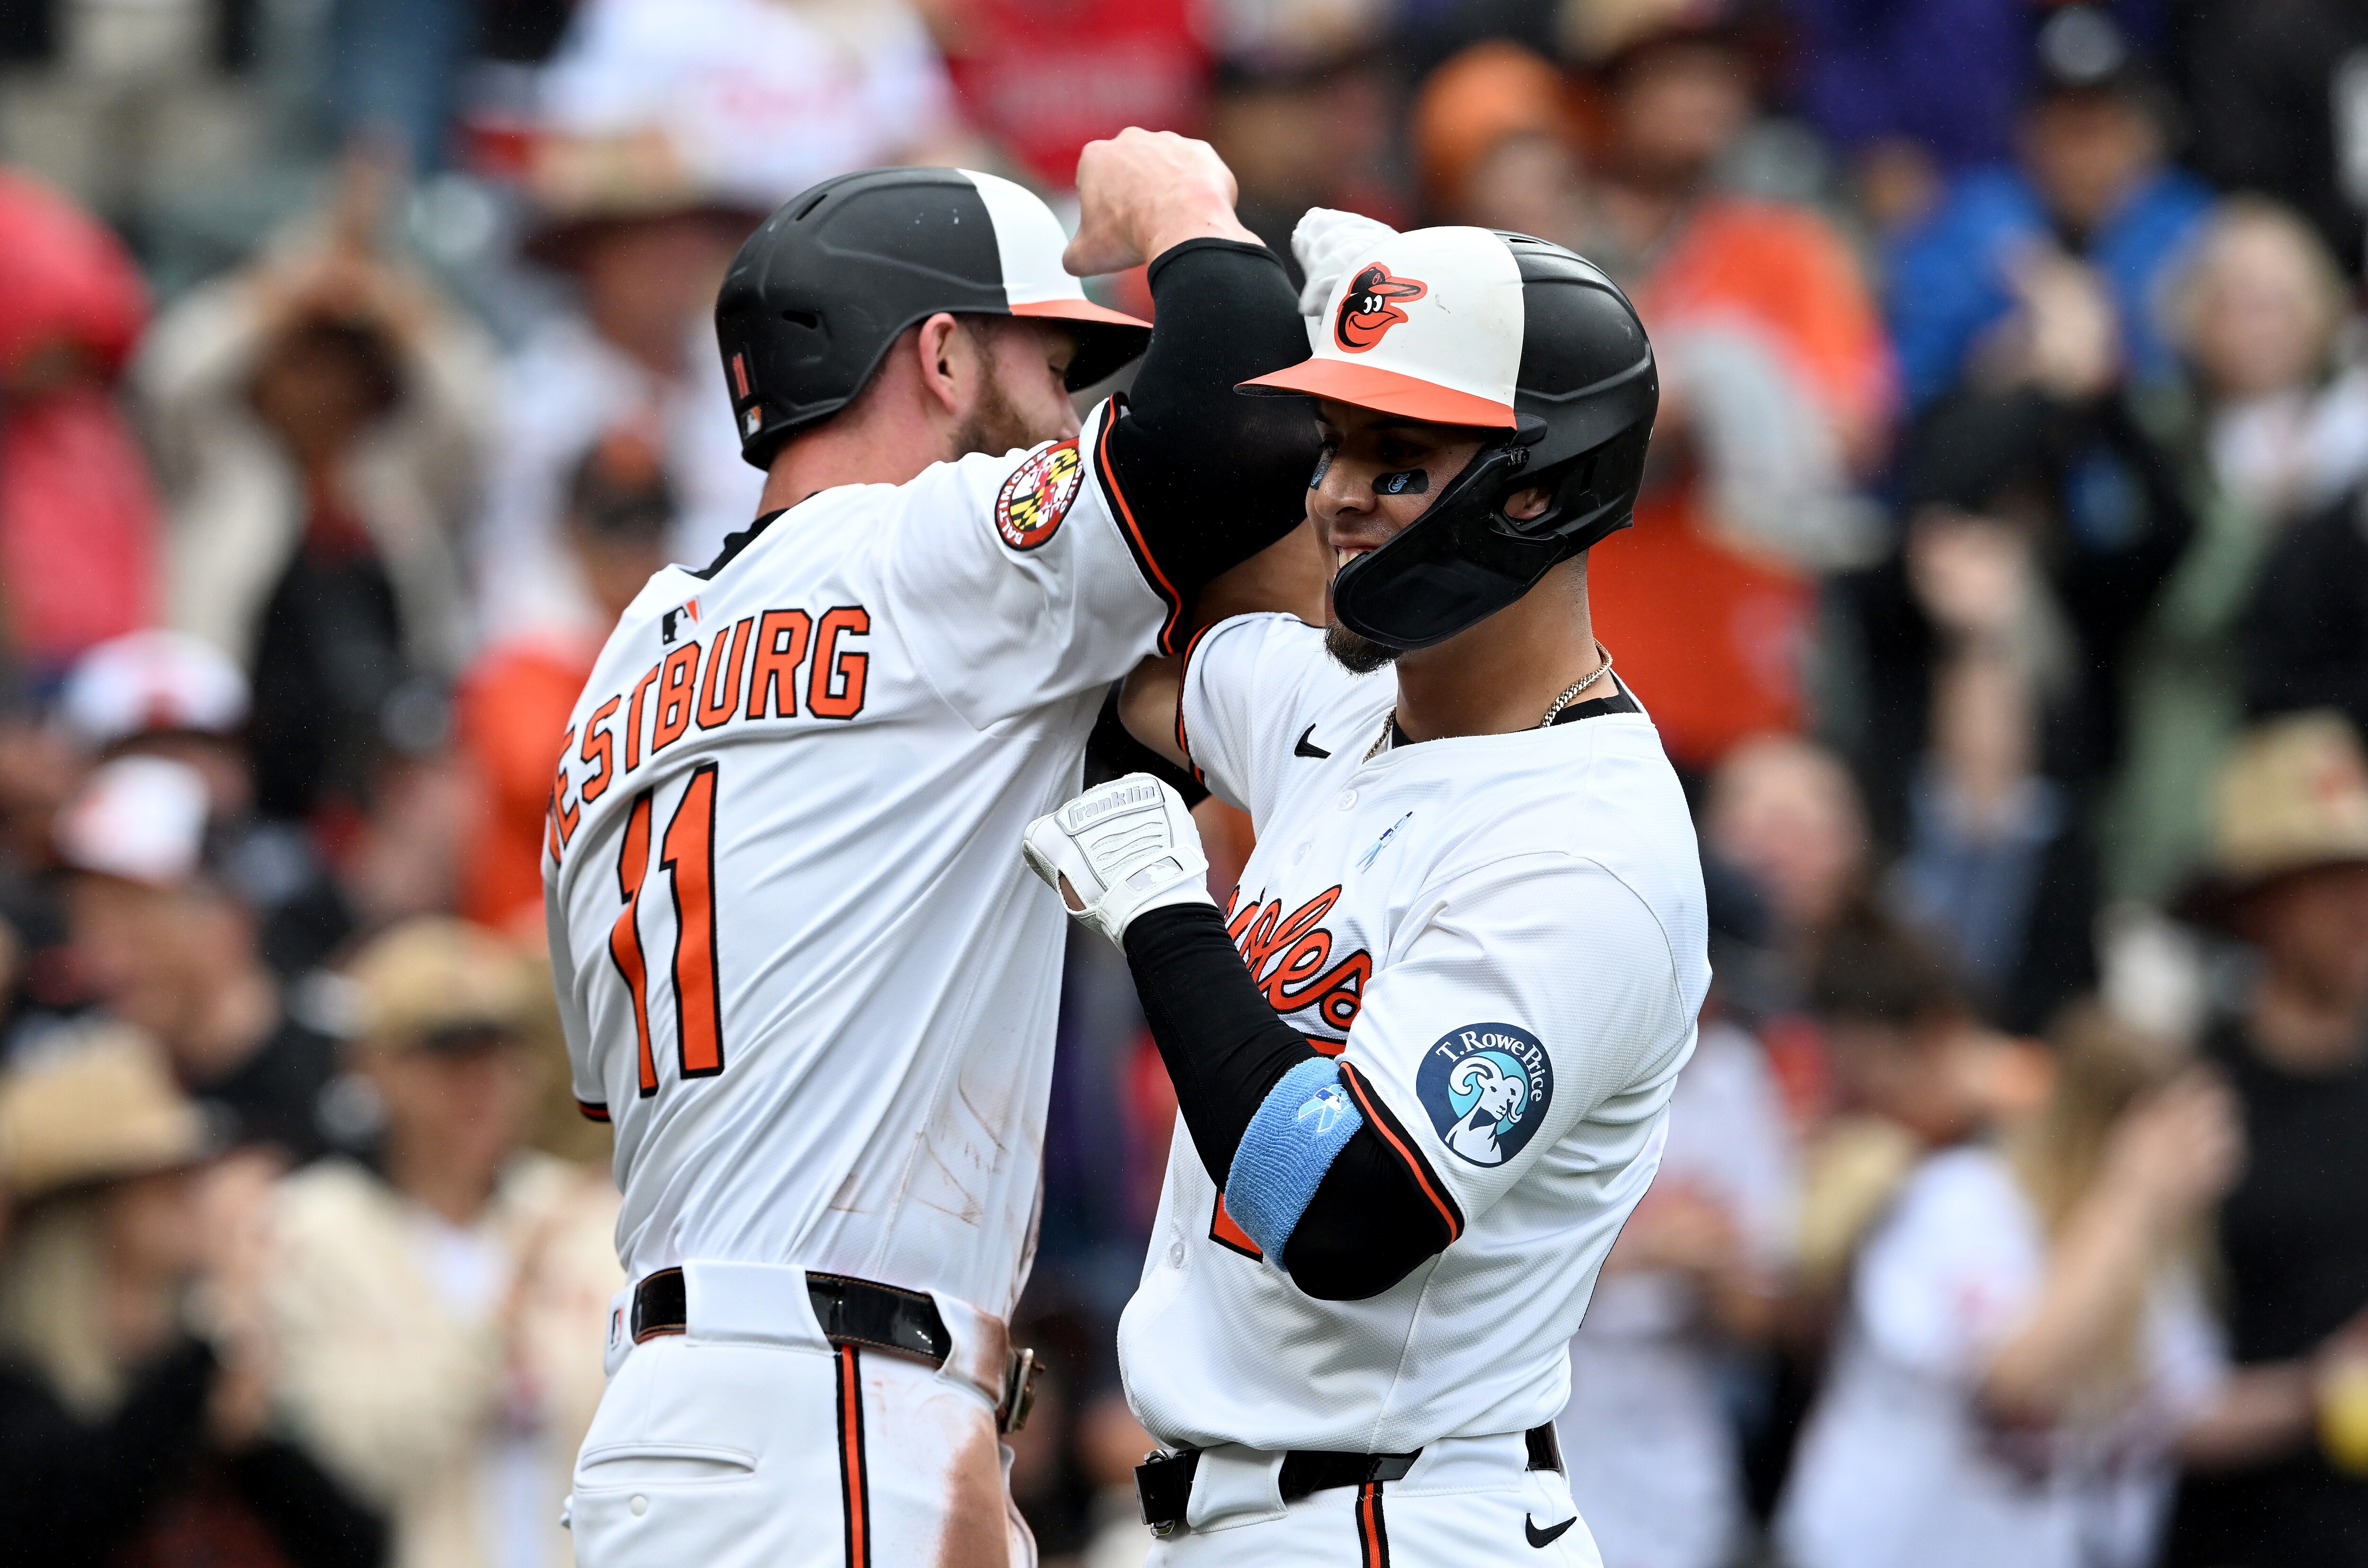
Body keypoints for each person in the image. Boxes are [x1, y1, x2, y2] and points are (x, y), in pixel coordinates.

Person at [545, 134, 1319, 1567]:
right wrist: (1189, 216)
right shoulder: (917, 560)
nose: (1068, 409)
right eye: (1052, 364)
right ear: (945, 355)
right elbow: (1240, 428)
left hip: (673, 1413)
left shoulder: (623, 670)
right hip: (835, 1405)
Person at [1022, 205, 1702, 1561]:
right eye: (1333, 443)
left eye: (1397, 458)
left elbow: (1343, 1209)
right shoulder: (1344, 714)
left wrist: (1166, 909)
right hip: (1249, 1510)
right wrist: (1235, 267)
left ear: (1536, 485)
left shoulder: (1587, 845)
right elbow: (1155, 646)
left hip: (1405, 1511)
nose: (1336, 491)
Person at [1776, 1003, 2240, 1568]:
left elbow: (2187, 1412)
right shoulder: (1959, 1202)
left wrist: (2310, 1389)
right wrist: (2133, 1197)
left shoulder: (2157, 1256)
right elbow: (2015, 1381)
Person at [270, 917, 620, 1568]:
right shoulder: (311, 1226)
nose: (482, 1081)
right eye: (447, 1052)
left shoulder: (587, 1216)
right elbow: (360, 1457)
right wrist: (499, 1324)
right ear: (371, 1066)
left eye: (502, 1051)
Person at [0, 1028, 386, 1567]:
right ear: (89, 1206)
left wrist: (248, 1441)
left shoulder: (178, 1368)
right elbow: (70, 1511)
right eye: (160, 1175)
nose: (190, 1189)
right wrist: (210, 1344)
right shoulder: (23, 1385)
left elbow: (359, 1543)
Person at [2164, 712, 2368, 1564]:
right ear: (2258, 906)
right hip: (2245, 1538)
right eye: (2333, 880)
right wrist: (2319, 1391)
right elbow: (2139, 1397)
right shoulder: (2187, 1103)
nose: (2364, 907)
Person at [1886, 4, 2212, 410]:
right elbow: (1907, 383)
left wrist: (2107, 327)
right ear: (2029, 135)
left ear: (2142, 134)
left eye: (2104, 130)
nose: (2087, 159)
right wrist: (2008, 355)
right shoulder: (1972, 218)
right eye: (2068, 132)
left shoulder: (2186, 222)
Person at [54, 754, 350, 1167]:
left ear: (230, 918)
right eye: (86, 921)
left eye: (135, 921)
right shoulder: (74, 1083)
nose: (106, 959)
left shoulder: (354, 1060)